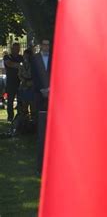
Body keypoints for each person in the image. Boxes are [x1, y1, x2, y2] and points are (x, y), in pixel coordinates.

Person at [31, 39, 51, 174]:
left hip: (53, 96)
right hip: (39, 97)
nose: (46, 46)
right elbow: (34, 77)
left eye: (47, 44)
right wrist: (41, 90)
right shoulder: (35, 59)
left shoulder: (55, 57)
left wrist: (51, 89)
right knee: (41, 133)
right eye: (44, 44)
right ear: (40, 46)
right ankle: (40, 166)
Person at [3, 42, 24, 122]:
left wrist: (18, 65)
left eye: (18, 48)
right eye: (15, 48)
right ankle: (10, 117)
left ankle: (20, 116)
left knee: (20, 100)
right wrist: (20, 65)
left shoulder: (20, 57)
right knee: (10, 101)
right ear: (12, 49)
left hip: (20, 81)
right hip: (10, 82)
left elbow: (25, 66)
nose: (17, 50)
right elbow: (9, 64)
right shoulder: (7, 57)